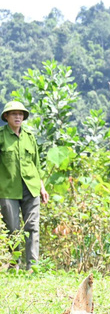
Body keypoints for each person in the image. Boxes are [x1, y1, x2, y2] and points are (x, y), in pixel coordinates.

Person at [0, 100, 49, 270]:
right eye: (14, 114)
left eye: (20, 114)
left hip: (31, 188)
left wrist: (42, 188)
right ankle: (14, 266)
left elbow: (36, 164)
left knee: (32, 228)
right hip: (8, 190)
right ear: (6, 116)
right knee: (13, 229)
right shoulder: (1, 136)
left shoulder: (30, 137)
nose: (18, 117)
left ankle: (33, 266)